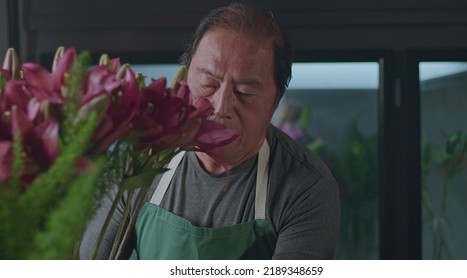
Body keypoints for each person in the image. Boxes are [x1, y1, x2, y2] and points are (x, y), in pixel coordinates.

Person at [80, 2, 340, 260]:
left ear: (275, 102)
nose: (220, 107)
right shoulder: (142, 159)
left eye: (245, 93)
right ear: (183, 80)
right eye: (208, 84)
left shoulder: (306, 186)